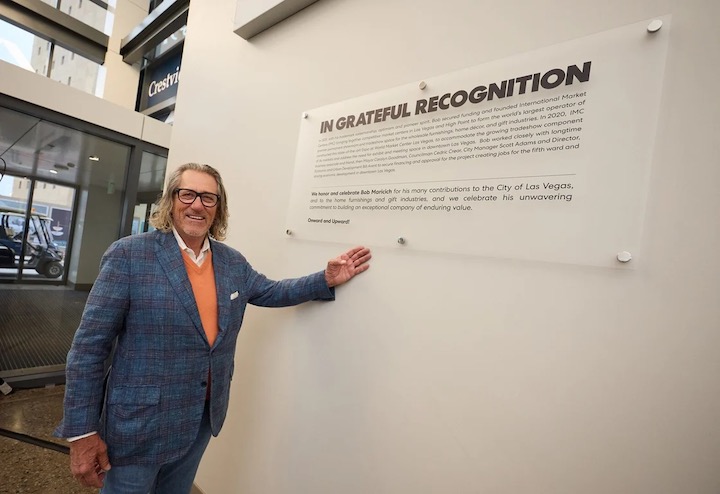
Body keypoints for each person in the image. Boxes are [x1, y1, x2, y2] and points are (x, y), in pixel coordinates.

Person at [54, 163, 371, 493]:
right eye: (187, 194)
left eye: (208, 198)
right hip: (140, 423)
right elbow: (89, 349)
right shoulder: (129, 255)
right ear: (171, 200)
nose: (196, 205)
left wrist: (325, 278)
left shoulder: (231, 261)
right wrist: (82, 433)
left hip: (201, 417)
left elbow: (270, 291)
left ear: (218, 208)